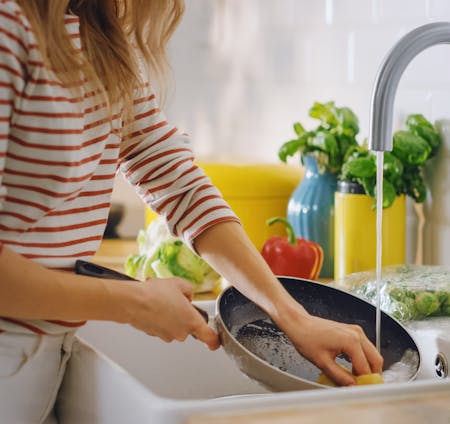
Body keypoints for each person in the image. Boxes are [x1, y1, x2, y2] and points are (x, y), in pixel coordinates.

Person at [0, 1, 383, 422]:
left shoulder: (98, 31)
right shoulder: (9, 28)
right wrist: (133, 302)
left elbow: (177, 182)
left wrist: (292, 316)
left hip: (44, 355)